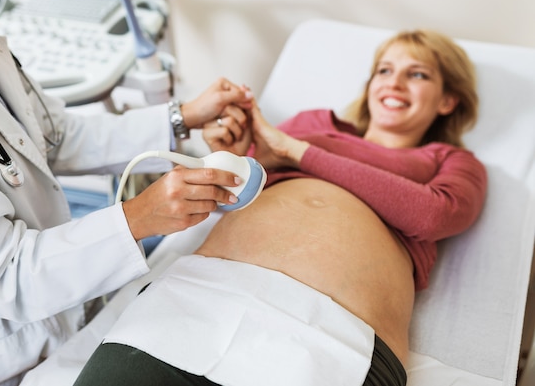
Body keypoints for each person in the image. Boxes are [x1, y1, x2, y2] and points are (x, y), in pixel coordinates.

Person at [72, 28, 488, 386]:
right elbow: (233, 196)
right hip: (201, 297)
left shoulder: (450, 161)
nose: (394, 83)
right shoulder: (314, 124)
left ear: (448, 100)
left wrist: (297, 152)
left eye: (417, 74)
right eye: (384, 70)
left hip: (334, 337)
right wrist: (231, 160)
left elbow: (433, 215)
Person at [0, 0, 254, 386]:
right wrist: (137, 218)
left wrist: (181, 117)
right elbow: (2, 275)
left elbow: (52, 135)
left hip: (56, 317)